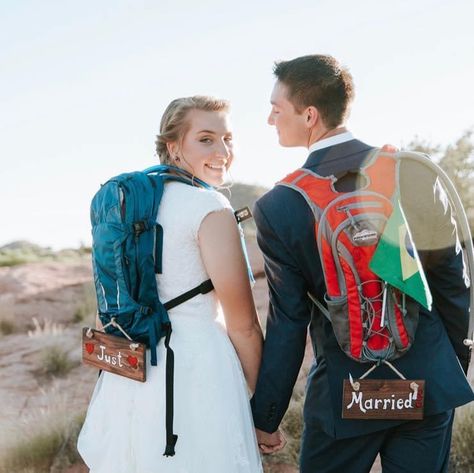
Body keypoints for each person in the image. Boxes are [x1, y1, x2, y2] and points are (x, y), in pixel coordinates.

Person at [250, 55, 474, 472]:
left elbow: (288, 323)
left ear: (310, 115)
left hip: (344, 394)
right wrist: (449, 364)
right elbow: (452, 283)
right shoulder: (414, 172)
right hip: (425, 384)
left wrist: (267, 416)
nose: (269, 119)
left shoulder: (279, 206)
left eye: (276, 109)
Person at [78, 96, 264, 473]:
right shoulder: (209, 206)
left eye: (228, 138)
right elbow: (243, 324)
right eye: (207, 139)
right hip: (196, 369)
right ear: (173, 146)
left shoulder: (128, 205)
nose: (223, 151)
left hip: (133, 368)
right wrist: (261, 404)